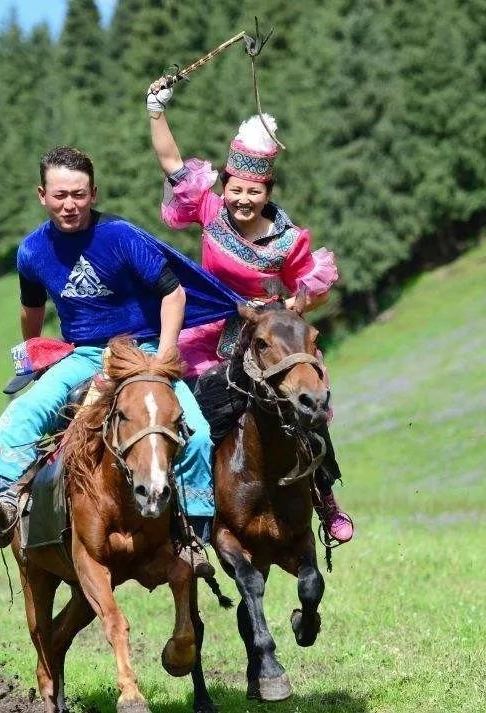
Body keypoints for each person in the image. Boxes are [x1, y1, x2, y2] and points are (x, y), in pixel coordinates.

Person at [0, 146, 241, 575]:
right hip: (83, 355)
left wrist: (168, 351)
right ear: (42, 195)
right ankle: (3, 498)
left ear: (93, 193)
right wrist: (36, 354)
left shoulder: (121, 237)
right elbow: (31, 308)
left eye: (79, 194)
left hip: (143, 352)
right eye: (60, 194)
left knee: (198, 433)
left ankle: (194, 533)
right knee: (21, 414)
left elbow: (174, 293)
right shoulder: (31, 252)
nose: (70, 204)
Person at [147, 81, 354, 543]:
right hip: (210, 334)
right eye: (236, 189)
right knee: (193, 417)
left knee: (310, 405)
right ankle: (188, 510)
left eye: (253, 192)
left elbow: (310, 289)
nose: (243, 199)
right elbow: (171, 163)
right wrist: (156, 110)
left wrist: (284, 306)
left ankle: (325, 496)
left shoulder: (289, 240)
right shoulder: (210, 210)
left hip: (267, 335)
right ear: (226, 185)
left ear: (267, 192)